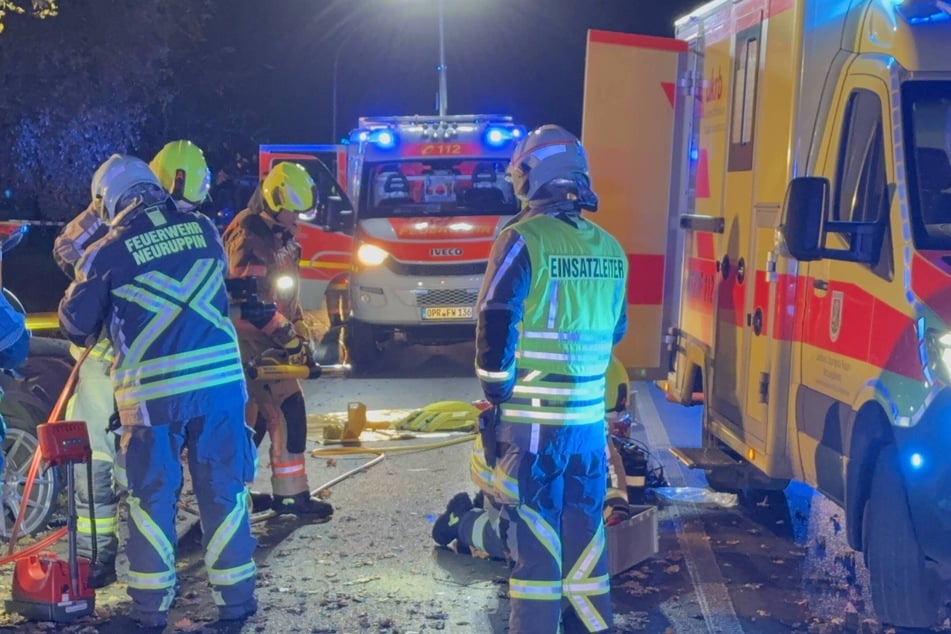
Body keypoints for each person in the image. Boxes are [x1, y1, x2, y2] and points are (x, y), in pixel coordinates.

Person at [58, 154, 257, 628]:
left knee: (152, 500)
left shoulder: (106, 250)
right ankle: (236, 605)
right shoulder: (206, 229)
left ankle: (149, 615)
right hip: (221, 385)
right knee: (225, 492)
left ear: (106, 202)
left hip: (153, 396)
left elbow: (75, 323)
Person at [473, 125, 628, 634]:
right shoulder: (611, 249)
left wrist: (495, 392)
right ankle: (590, 625)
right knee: (585, 532)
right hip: (587, 426)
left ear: (532, 177)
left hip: (533, 426)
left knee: (536, 537)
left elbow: (496, 317)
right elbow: (618, 328)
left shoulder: (521, 240)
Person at [50, 139, 215, 590]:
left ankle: (142, 561)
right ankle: (97, 558)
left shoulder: (171, 213)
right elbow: (67, 249)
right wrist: (99, 279)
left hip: (142, 364)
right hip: (106, 359)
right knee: (97, 458)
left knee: (139, 465)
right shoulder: (107, 218)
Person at [432, 355, 633, 561]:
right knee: (524, 547)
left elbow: (610, 465)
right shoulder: (530, 432)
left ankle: (489, 510)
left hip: (533, 480)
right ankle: (463, 521)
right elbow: (523, 487)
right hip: (506, 483)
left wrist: (616, 507)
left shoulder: (579, 422)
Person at [221, 161, 333, 518]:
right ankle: (244, 497)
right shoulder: (249, 237)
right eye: (293, 211)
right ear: (274, 201)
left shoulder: (282, 238)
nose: (298, 219)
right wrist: (288, 338)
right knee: (265, 418)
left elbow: (287, 298)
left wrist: (302, 339)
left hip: (272, 341)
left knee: (270, 419)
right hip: (248, 344)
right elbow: (247, 303)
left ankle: (266, 494)